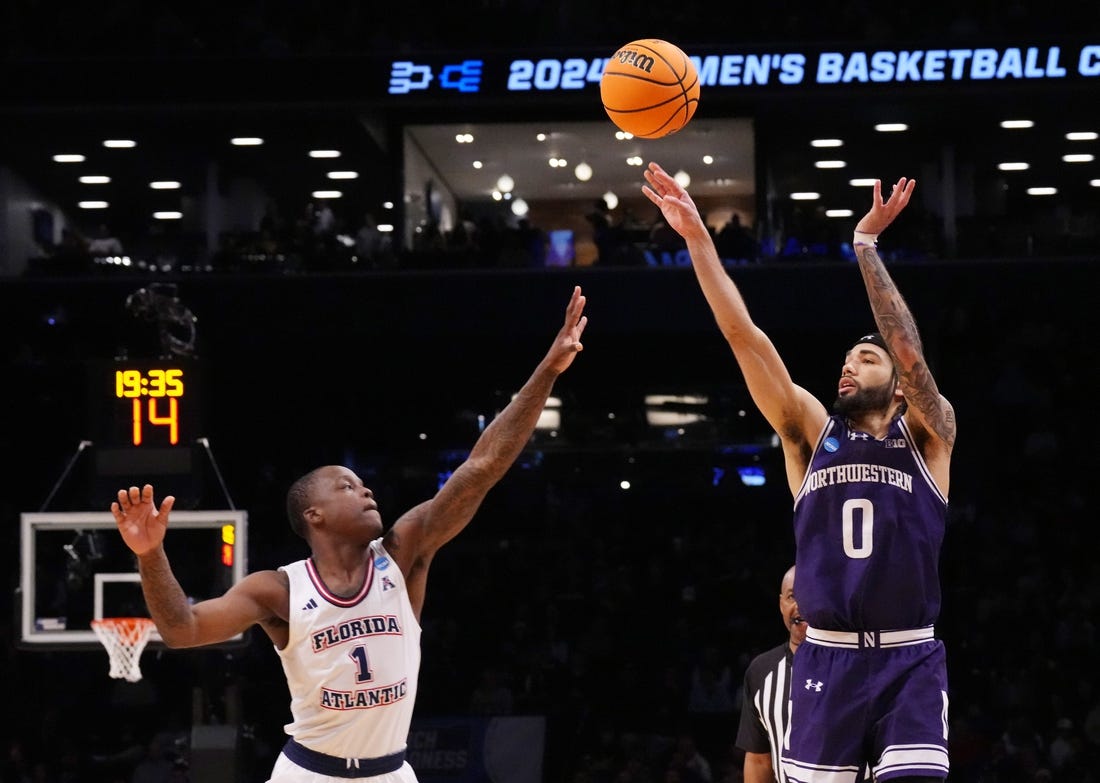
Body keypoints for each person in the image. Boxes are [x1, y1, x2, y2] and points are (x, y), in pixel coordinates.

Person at [109, 286, 588, 782]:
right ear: (313, 514)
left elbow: (483, 465)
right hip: (309, 774)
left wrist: (547, 371)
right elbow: (182, 629)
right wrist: (150, 553)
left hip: (391, 773)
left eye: (363, 484)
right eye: (347, 485)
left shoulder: (403, 554)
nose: (367, 492)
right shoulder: (279, 589)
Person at [643, 162, 954, 782]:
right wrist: (699, 241)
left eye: (865, 359)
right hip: (826, 660)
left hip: (910, 657)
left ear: (897, 390)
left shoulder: (928, 434)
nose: (847, 366)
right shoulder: (812, 434)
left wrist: (865, 245)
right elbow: (743, 335)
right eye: (846, 357)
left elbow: (911, 353)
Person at [735, 565, 805, 783]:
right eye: (792, 596)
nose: (800, 606)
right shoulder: (761, 671)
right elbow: (759, 760)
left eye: (811, 595)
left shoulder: (855, 664)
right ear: (781, 604)